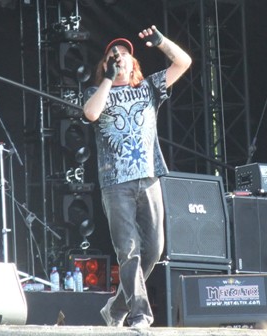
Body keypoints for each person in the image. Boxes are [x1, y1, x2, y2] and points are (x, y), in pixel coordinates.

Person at [83, 25, 192, 328]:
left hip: (149, 178)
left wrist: (160, 42)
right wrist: (107, 77)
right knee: (128, 250)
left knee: (154, 249)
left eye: (125, 56)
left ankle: (116, 309)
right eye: (113, 56)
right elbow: (91, 114)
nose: (120, 59)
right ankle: (140, 314)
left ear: (133, 64)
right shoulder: (96, 92)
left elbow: (183, 63)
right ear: (105, 64)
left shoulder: (149, 88)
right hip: (115, 184)